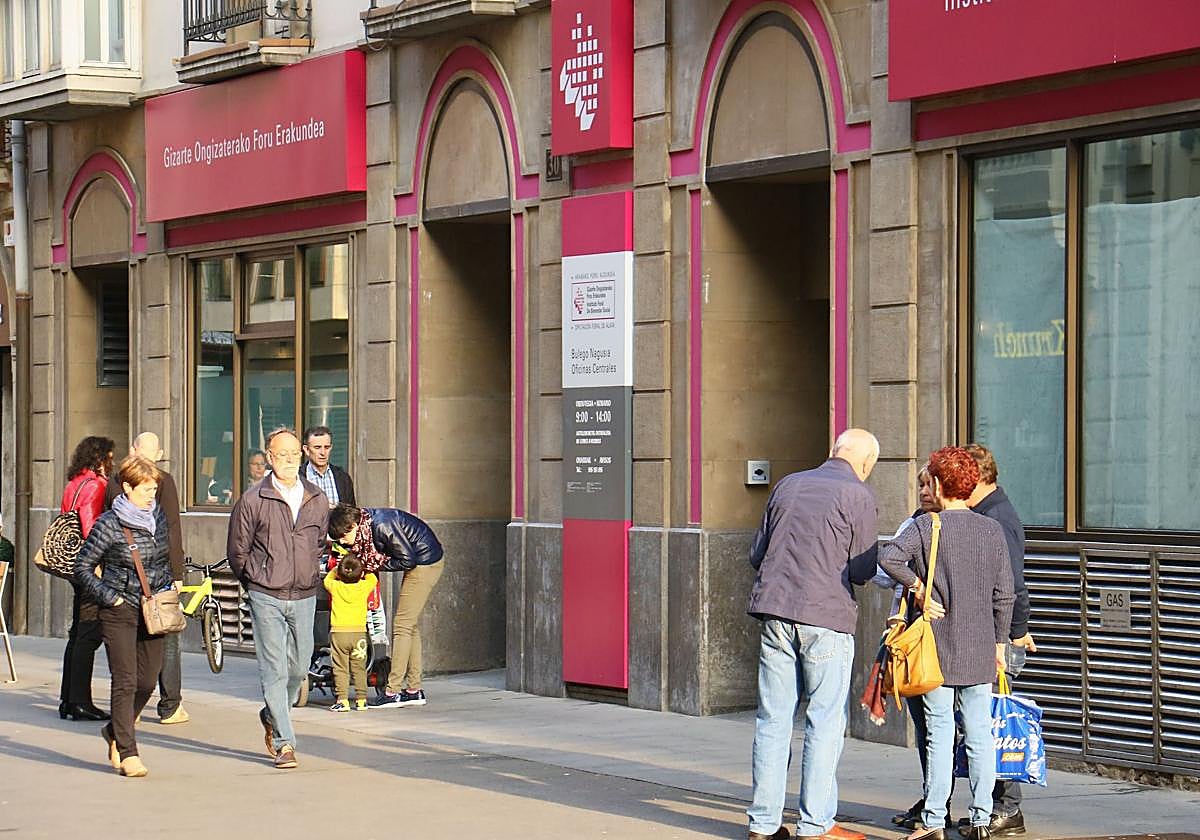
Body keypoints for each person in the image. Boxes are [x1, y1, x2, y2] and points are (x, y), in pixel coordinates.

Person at [745, 428, 881, 840]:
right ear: (866, 464)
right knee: (823, 722)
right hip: (825, 617)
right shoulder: (858, 495)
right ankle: (816, 824)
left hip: (775, 611)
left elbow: (757, 554)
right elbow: (861, 570)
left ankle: (763, 826)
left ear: (833, 451)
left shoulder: (788, 485)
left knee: (773, 719)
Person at [880, 447, 1015, 840]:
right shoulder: (991, 530)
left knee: (939, 736)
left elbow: (890, 558)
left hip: (935, 649)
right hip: (979, 648)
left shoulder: (927, 527)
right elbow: (1004, 594)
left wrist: (918, 587)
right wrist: (1000, 643)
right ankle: (981, 820)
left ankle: (934, 821)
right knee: (979, 735)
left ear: (939, 485)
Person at [227, 427, 329, 770]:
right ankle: (286, 744)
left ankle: (271, 714)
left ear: (301, 455)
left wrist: (311, 575)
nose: (287, 461)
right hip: (265, 593)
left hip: (303, 593)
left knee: (299, 669)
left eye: (293, 455)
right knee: (273, 669)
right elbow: (237, 551)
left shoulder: (317, 498)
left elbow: (318, 545)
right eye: (280, 455)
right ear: (269, 458)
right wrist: (256, 580)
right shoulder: (253, 499)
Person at [74, 455, 172, 778]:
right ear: (127, 487)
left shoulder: (156, 516)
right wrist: (109, 597)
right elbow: (82, 568)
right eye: (145, 489)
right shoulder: (108, 524)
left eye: (154, 489)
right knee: (126, 680)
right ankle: (128, 751)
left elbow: (162, 559)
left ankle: (115, 730)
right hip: (119, 609)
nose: (151, 495)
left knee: (148, 680)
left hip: (153, 607)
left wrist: (168, 587)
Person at [965, 443, 1037, 837]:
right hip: (992, 633)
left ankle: (1007, 808)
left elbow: (1012, 584)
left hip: (999, 637)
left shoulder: (996, 518)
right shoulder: (985, 514)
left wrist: (1015, 632)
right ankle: (996, 805)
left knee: (996, 723)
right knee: (986, 721)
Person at [878, 466, 955, 832]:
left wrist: (917, 584)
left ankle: (943, 807)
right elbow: (883, 570)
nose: (925, 491)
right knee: (926, 725)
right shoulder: (913, 523)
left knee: (942, 725)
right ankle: (936, 799)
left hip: (938, 637)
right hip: (910, 638)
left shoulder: (949, 526)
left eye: (931, 485)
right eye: (921, 484)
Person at [105, 432, 188, 725]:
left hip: (126, 574)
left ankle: (134, 705)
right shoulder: (161, 480)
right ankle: (169, 705)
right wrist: (176, 572)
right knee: (165, 633)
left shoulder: (117, 480)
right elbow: (173, 527)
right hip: (150, 573)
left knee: (140, 641)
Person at [326, 503, 443, 709]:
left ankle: (392, 691)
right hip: (424, 560)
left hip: (424, 563)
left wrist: (376, 565)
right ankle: (414, 690)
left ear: (352, 526)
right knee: (409, 626)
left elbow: (408, 559)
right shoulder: (366, 525)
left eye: (343, 537)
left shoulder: (381, 525)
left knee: (402, 626)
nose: (343, 542)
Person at [58, 435, 114, 722]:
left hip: (71, 564)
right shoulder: (96, 486)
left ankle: (67, 699)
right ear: (100, 458)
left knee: (76, 632)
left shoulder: (73, 483)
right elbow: (92, 528)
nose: (112, 463)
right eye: (109, 457)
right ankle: (80, 701)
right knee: (89, 634)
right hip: (90, 567)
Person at [323, 550, 378, 712]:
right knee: (359, 668)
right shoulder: (363, 586)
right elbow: (372, 578)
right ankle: (361, 700)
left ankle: (342, 700)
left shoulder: (335, 586)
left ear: (340, 574)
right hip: (359, 634)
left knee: (340, 668)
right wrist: (364, 570)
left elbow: (327, 579)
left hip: (339, 634)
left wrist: (336, 569)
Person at [302, 425, 356, 507]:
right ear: (306, 450)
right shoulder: (297, 478)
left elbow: (351, 513)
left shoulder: (343, 478)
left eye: (327, 447)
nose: (323, 452)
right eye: (317, 447)